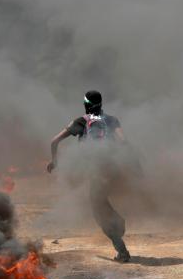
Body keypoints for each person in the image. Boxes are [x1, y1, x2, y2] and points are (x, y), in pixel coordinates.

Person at [46, 90, 131, 262]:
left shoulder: (82, 121)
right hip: (113, 166)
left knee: (98, 209)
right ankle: (117, 222)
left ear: (86, 104)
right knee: (100, 200)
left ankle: (121, 246)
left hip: (96, 169)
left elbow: (54, 141)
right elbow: (123, 142)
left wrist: (55, 161)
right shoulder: (112, 120)